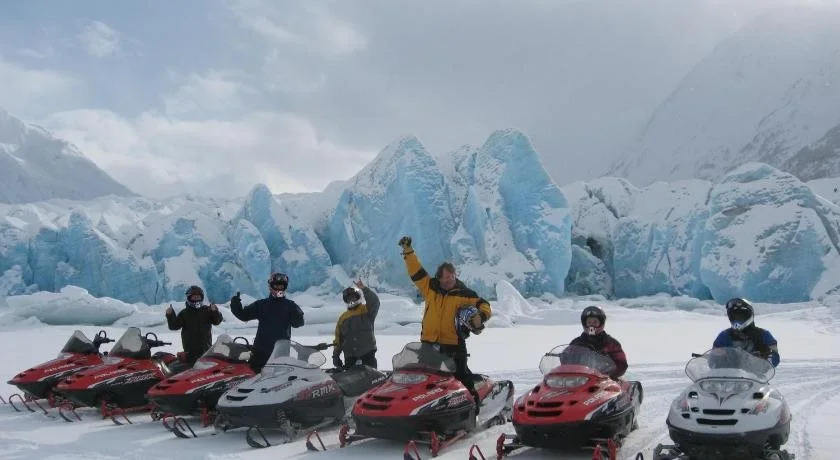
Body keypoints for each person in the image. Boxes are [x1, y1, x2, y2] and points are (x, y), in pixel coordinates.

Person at [398, 235, 491, 410]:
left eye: (451, 276)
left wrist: (482, 316)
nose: (449, 280)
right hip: (429, 342)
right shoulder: (430, 288)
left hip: (453, 344)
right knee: (423, 379)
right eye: (445, 277)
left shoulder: (464, 293)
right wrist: (408, 251)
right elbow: (415, 271)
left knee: (461, 376)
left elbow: (483, 304)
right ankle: (422, 410)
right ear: (438, 278)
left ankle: (473, 407)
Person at [230, 272, 305, 373]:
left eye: (281, 286)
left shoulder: (290, 306)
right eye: (276, 286)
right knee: (251, 382)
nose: (279, 288)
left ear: (285, 288)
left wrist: (298, 314)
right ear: (271, 287)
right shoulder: (261, 305)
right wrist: (235, 304)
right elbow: (243, 315)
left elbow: (298, 323)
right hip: (259, 353)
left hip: (280, 354)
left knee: (278, 384)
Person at [165, 285, 223, 371]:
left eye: (198, 297)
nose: (196, 299)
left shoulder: (207, 310)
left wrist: (214, 311)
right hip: (190, 353)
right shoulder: (184, 313)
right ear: (189, 298)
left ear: (202, 297)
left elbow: (217, 321)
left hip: (206, 351)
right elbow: (173, 326)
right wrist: (170, 315)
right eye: (194, 297)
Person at [713, 297, 780, 367]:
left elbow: (774, 361)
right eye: (734, 316)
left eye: (741, 315)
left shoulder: (764, 335)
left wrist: (763, 357)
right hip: (727, 375)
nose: (737, 318)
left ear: (749, 315)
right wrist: (717, 356)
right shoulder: (724, 335)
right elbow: (712, 362)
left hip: (756, 376)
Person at [569, 306, 628, 379]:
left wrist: (608, 374)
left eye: (595, 322)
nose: (591, 325)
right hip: (580, 379)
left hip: (604, 380)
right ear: (584, 323)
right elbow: (567, 361)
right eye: (589, 322)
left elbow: (622, 364)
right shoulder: (576, 343)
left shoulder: (611, 343)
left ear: (601, 323)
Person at [332, 279, 381, 369]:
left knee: (372, 382)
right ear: (346, 300)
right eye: (348, 298)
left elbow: (375, 302)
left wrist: (364, 289)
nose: (351, 300)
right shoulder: (343, 318)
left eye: (353, 297)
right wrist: (335, 356)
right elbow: (338, 339)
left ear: (358, 297)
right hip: (350, 358)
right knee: (351, 382)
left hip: (368, 356)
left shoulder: (366, 310)